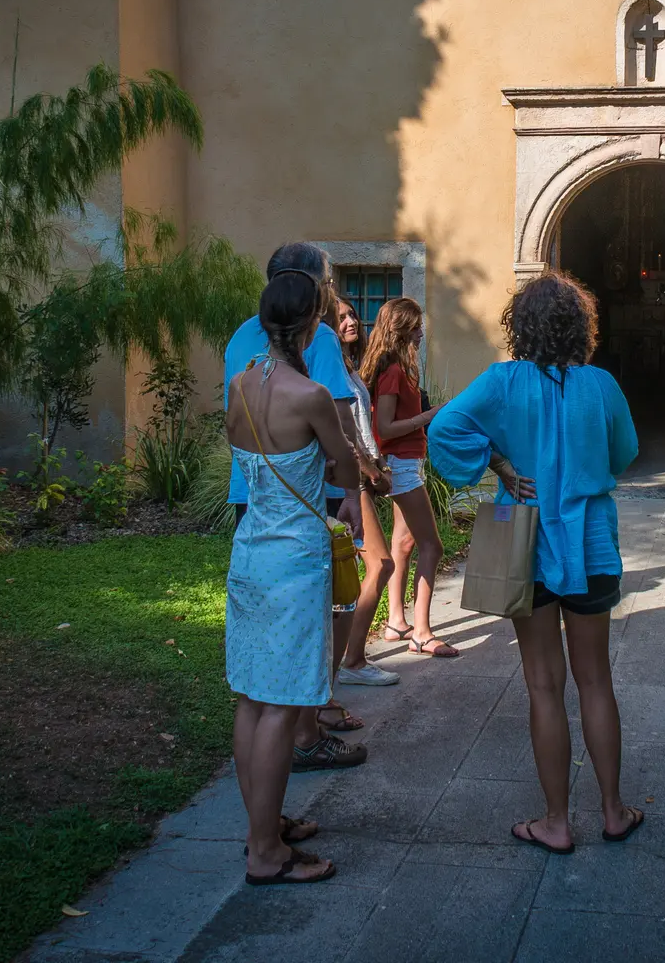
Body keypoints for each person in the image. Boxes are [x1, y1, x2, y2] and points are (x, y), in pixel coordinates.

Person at [429, 272, 644, 853]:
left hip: (525, 544)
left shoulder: (502, 382)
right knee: (596, 681)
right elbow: (625, 452)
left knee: (543, 688)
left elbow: (445, 427)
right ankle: (613, 810)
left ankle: (556, 819)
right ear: (580, 327)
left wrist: (497, 463)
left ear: (518, 327)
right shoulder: (601, 385)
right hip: (592, 545)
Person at [225, 267, 363, 884]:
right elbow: (343, 465)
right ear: (312, 323)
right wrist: (358, 480)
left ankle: (266, 824)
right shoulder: (307, 395)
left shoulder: (239, 384)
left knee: (252, 698)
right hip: (294, 558)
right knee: (281, 706)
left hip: (249, 549)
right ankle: (265, 853)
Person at [359, 298, 456, 656]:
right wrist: (428, 416)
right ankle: (422, 632)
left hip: (406, 463)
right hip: (402, 466)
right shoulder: (394, 372)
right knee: (433, 545)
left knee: (404, 543)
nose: (420, 332)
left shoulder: (397, 366)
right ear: (401, 330)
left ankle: (396, 621)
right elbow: (384, 427)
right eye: (415, 327)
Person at [329, 297, 399, 686]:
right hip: (351, 479)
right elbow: (342, 431)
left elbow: (361, 426)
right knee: (381, 564)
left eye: (352, 313)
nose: (350, 321)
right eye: (340, 317)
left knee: (357, 569)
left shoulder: (348, 367)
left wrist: (379, 464)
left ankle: (346, 658)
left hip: (365, 474)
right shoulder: (329, 368)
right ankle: (352, 660)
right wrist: (368, 470)